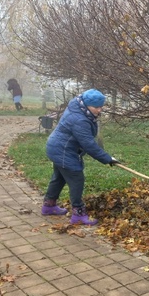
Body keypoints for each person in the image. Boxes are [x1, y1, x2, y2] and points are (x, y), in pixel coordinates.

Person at [42, 88, 119, 225]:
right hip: (63, 151)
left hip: (57, 147)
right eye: (96, 107)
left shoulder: (78, 107)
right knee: (77, 179)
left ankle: (49, 206)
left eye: (101, 106)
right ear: (87, 104)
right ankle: (78, 214)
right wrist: (108, 159)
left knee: (59, 178)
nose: (99, 110)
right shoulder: (79, 119)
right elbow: (88, 144)